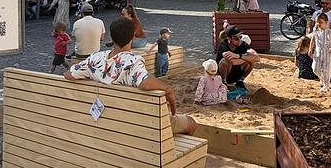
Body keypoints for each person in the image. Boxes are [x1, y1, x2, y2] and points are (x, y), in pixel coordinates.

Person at [64, 18, 196, 135]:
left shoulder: (96, 58)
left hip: (103, 121)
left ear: (112, 38)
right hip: (137, 123)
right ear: (133, 37)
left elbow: (69, 75)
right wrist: (168, 89)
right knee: (191, 123)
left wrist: (95, 76)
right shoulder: (132, 62)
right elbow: (144, 83)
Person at [216, 25, 261, 89]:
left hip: (237, 74)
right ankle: (224, 82)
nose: (239, 40)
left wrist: (239, 56)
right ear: (229, 38)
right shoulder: (223, 45)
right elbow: (233, 62)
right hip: (225, 74)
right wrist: (246, 57)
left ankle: (240, 81)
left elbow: (257, 58)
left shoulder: (243, 44)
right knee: (224, 61)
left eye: (240, 37)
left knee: (251, 62)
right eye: (236, 38)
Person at [309, 13, 331, 93]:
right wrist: (310, 48)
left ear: (326, 22)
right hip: (318, 52)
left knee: (326, 70)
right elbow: (313, 40)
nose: (318, 24)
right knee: (315, 69)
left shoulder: (329, 32)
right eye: (317, 22)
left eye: (320, 22)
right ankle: (321, 78)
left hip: (327, 53)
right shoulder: (316, 31)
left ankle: (326, 86)